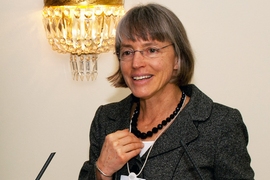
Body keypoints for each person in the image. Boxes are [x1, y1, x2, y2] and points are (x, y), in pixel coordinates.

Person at [79, 3, 254, 180]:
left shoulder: (220, 124)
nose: (136, 63)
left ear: (177, 59)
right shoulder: (106, 119)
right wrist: (102, 171)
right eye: (127, 52)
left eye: (152, 50)